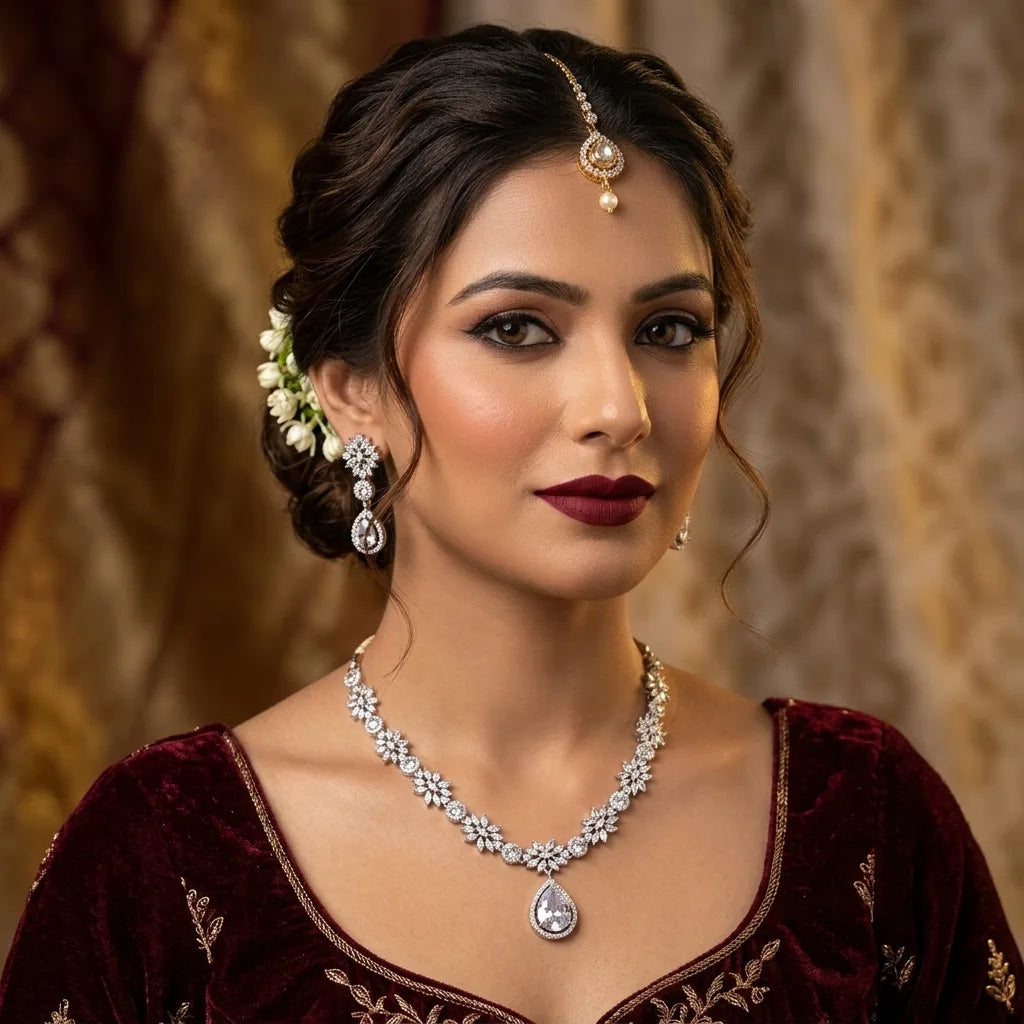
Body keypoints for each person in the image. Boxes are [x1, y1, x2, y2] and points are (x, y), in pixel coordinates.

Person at [1, 22, 1020, 1024]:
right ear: (350, 388)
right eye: (516, 328)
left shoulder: (863, 820)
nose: (618, 407)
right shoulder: (169, 852)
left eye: (669, 330)